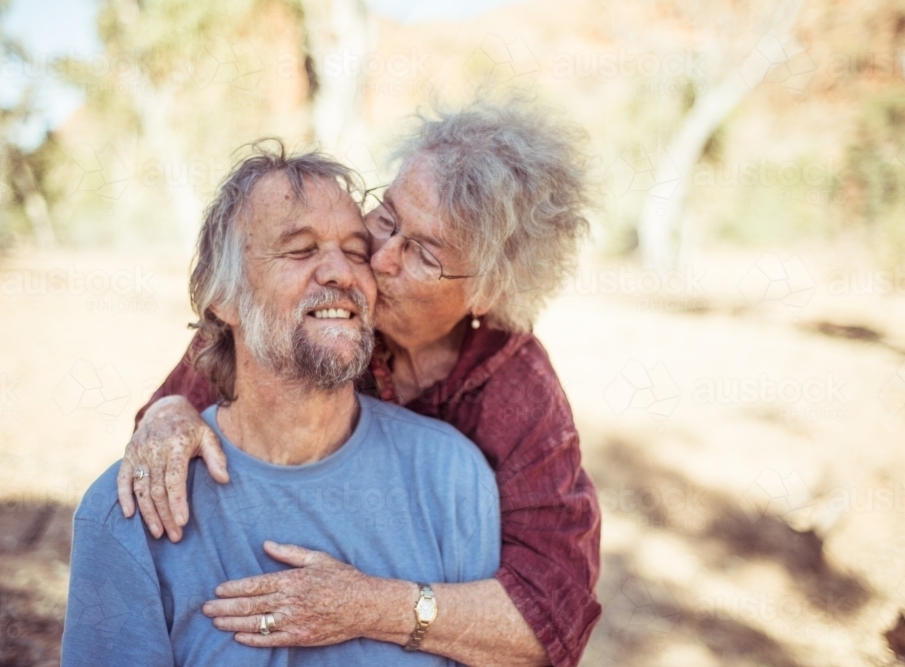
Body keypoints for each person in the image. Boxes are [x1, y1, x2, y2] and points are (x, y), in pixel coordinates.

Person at [122, 102, 602, 667]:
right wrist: (167, 412)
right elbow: (195, 387)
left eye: (424, 253)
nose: (379, 258)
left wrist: (369, 606)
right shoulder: (329, 314)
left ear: (487, 294)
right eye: (387, 218)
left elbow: (550, 620)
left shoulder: (518, 389)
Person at [61, 146, 501, 666]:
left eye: (357, 251)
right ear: (223, 298)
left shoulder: (452, 479)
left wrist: (375, 607)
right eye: (300, 250)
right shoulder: (132, 514)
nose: (340, 272)